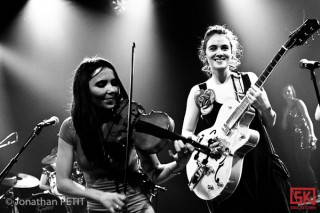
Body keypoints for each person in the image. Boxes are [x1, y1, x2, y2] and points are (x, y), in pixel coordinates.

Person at [56, 56, 194, 213]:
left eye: (114, 83)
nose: (113, 90)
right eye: (101, 84)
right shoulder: (71, 127)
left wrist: (180, 163)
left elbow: (155, 173)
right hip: (98, 209)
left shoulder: (131, 120)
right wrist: (100, 195)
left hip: (138, 207)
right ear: (84, 90)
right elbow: (62, 182)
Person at [181, 25, 291, 213]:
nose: (219, 53)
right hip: (223, 173)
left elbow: (270, 122)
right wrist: (205, 145)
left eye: (225, 47)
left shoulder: (249, 80)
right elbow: (186, 133)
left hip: (261, 166)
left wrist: (265, 105)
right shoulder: (198, 92)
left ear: (233, 52)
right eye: (213, 48)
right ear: (204, 54)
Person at [281, 84, 318, 192]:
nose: (287, 93)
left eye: (289, 91)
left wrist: (312, 134)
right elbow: (284, 127)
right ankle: (310, 191)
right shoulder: (284, 108)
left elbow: (308, 119)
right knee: (300, 166)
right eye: (285, 92)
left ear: (292, 91)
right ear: (282, 95)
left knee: (305, 163)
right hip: (296, 139)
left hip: (305, 134)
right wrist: (286, 112)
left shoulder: (299, 102)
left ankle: (315, 190)